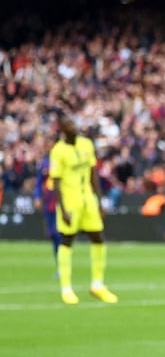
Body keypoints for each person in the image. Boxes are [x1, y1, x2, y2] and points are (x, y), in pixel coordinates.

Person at [48, 115, 117, 304]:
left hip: (88, 200)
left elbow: (93, 174)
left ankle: (97, 284)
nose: (73, 126)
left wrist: (100, 202)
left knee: (98, 238)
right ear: (62, 129)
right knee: (67, 240)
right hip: (70, 202)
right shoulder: (58, 151)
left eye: (73, 122)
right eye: (68, 123)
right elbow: (56, 181)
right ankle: (66, 288)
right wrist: (62, 209)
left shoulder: (86, 144)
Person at [34, 141, 62, 276]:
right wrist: (38, 197)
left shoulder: (62, 161)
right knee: (53, 235)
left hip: (61, 201)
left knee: (59, 233)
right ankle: (60, 265)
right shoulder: (44, 163)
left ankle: (63, 266)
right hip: (49, 202)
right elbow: (39, 182)